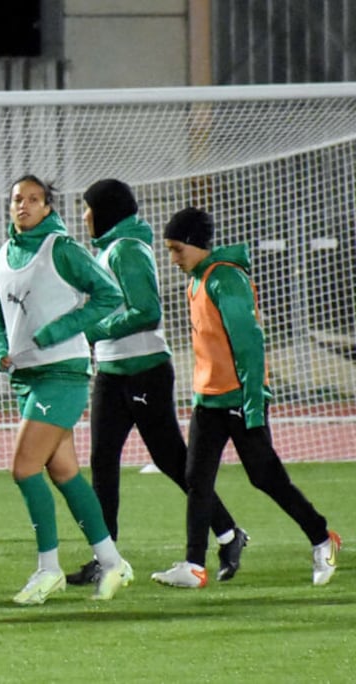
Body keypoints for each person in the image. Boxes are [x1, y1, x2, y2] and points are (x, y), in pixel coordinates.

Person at [65, 180, 248, 587]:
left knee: (172, 461)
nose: (84, 216)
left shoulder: (128, 248)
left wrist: (93, 331)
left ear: (107, 210)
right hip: (112, 373)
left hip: (143, 370)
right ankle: (106, 557)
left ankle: (230, 534)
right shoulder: (112, 248)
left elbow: (147, 311)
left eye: (88, 207)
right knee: (102, 463)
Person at [155, 207, 340, 588]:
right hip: (209, 401)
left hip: (239, 400)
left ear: (195, 243)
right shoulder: (198, 280)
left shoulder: (226, 280)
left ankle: (323, 538)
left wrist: (254, 405)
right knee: (196, 479)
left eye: (176, 249)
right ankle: (193, 565)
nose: (172, 258)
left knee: (265, 477)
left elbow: (251, 346)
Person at [0, 174, 132, 605]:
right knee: (63, 472)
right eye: (17, 199)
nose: (24, 205)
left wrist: (60, 330)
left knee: (24, 469)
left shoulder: (61, 249)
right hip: (26, 376)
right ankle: (111, 559)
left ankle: (49, 570)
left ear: (48, 206)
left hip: (62, 372)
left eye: (34, 199)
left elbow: (108, 294)